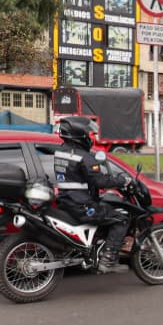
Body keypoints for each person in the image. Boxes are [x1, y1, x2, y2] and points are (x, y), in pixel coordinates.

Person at [52, 116, 131, 272]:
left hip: (66, 200)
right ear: (79, 135)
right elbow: (100, 181)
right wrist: (122, 181)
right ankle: (108, 261)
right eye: (89, 134)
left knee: (105, 212)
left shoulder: (60, 151)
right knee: (121, 219)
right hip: (81, 204)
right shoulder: (85, 157)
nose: (91, 137)